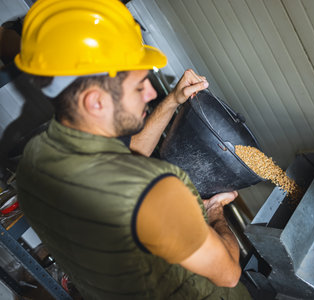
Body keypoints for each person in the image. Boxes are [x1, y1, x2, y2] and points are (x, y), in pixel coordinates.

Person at [14, 0, 251, 299]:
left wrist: (173, 100)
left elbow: (130, 154)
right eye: (139, 86)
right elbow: (228, 273)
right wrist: (213, 211)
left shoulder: (33, 161)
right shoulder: (155, 188)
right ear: (95, 102)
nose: (151, 93)